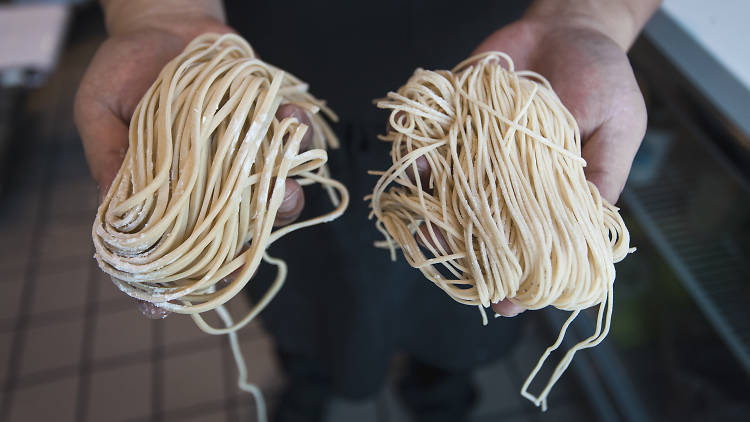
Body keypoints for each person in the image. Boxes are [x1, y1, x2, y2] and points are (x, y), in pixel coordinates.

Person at [74, 0, 659, 420]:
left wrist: (586, 14)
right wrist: (153, 13)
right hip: (276, 125)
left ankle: (441, 394)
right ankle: (310, 383)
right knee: (304, 281)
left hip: (475, 112)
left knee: (470, 285)